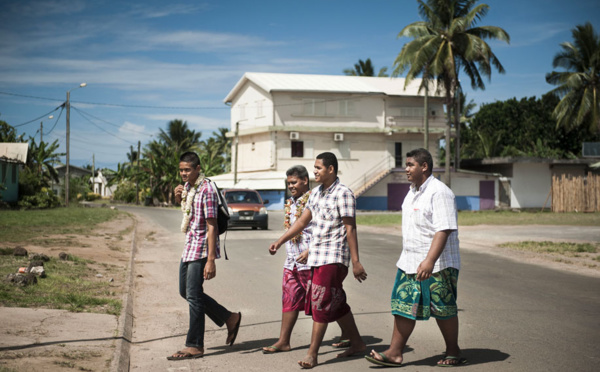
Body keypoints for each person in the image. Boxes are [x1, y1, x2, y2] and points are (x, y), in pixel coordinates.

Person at [365, 148, 465, 367]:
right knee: (402, 305)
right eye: (406, 165)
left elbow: (444, 229)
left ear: (424, 166)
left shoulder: (440, 192)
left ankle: (453, 350)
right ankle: (394, 352)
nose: (406, 169)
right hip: (409, 261)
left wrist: (429, 260)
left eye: (410, 165)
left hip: (438, 263)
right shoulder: (412, 192)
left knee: (443, 308)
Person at [269, 152, 367, 369]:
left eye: (318, 168)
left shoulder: (344, 194)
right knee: (336, 300)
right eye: (314, 168)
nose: (314, 171)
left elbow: (350, 228)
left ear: (330, 169)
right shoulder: (315, 194)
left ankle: (312, 354)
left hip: (333, 257)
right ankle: (358, 343)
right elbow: (302, 222)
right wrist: (280, 241)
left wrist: (356, 261)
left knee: (320, 302)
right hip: (316, 258)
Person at [263, 165, 348, 355]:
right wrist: (279, 242)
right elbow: (296, 227)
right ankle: (284, 341)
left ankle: (348, 333)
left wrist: (311, 251)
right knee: (290, 298)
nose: (291, 186)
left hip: (312, 260)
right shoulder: (291, 202)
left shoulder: (315, 198)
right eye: (288, 183)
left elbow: (322, 229)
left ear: (304, 181)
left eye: (294, 182)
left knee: (327, 300)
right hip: (292, 259)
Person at [167, 152, 242, 361]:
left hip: (201, 249)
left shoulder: (206, 189)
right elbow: (188, 214)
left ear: (198, 169)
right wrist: (177, 197)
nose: (183, 173)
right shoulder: (189, 188)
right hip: (189, 246)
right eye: (181, 169)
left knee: (193, 295)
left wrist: (210, 260)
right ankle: (230, 317)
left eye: (187, 170)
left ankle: (195, 345)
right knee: (186, 292)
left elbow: (212, 226)